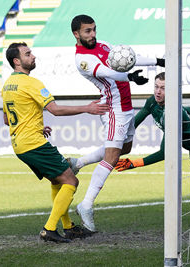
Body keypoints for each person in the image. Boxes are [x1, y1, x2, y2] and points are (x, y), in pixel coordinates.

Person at [2, 42, 109, 243]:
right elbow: (55, 110)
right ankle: (49, 229)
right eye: (27, 54)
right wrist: (87, 108)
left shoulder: (7, 85)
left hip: (21, 145)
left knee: (57, 180)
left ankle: (68, 227)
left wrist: (34, 125)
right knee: (71, 181)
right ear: (17, 61)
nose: (32, 56)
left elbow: (7, 119)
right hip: (34, 144)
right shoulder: (32, 83)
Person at [70, 14, 165, 232]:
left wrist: (158, 61)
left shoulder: (103, 45)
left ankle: (79, 163)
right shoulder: (81, 59)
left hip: (126, 106)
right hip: (113, 110)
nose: (93, 34)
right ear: (76, 34)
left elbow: (127, 59)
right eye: (87, 31)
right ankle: (86, 205)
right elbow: (108, 72)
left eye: (94, 29)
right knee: (112, 157)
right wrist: (130, 78)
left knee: (126, 148)